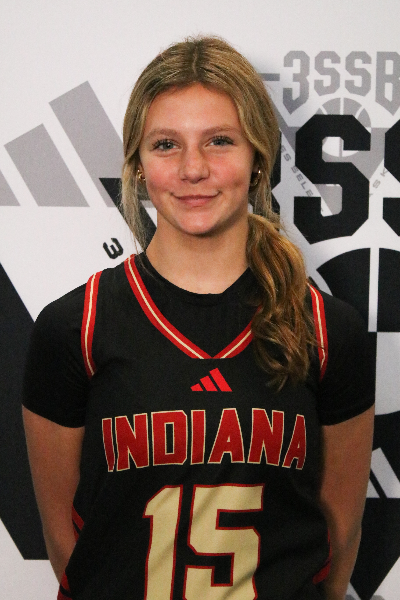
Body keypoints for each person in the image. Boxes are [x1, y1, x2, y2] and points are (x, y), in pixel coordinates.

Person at [22, 36, 374, 600]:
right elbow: (68, 544)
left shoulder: (328, 329)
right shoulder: (75, 327)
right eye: (166, 144)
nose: (193, 169)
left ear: (258, 157)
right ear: (138, 165)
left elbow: (339, 531)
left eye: (220, 141)